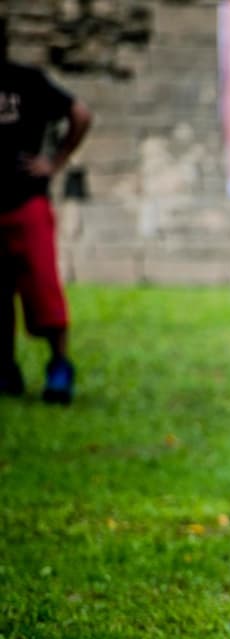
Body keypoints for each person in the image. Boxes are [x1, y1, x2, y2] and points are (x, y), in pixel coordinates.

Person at [0, 17, 91, 403]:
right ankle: (5, 371)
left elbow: (80, 114)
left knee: (42, 289)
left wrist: (54, 162)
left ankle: (59, 366)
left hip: (25, 203)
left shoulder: (26, 82)